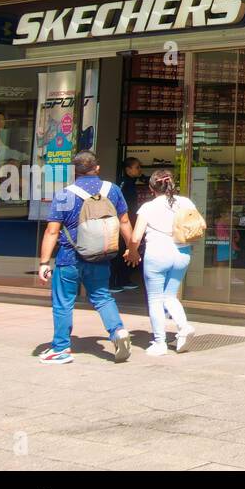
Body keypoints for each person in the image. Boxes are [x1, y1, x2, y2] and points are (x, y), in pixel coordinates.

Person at [36, 152, 136, 365]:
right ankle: (117, 331)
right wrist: (132, 248)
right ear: (97, 168)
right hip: (101, 257)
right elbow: (125, 221)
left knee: (63, 303)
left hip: (69, 258)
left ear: (75, 170)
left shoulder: (64, 194)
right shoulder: (113, 190)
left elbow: (52, 231)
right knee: (102, 297)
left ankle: (61, 348)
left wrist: (44, 262)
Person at [123, 168, 197, 355]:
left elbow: (135, 237)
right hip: (182, 253)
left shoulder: (149, 207)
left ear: (151, 187)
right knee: (170, 295)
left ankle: (160, 342)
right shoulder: (186, 202)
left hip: (157, 254)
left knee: (155, 299)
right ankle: (183, 327)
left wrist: (132, 252)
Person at [110, 157, 150, 291]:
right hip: (122, 222)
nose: (140, 170)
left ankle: (124, 279)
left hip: (131, 221)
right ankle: (113, 282)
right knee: (120, 251)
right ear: (128, 169)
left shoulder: (131, 182)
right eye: (137, 167)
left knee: (130, 250)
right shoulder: (122, 183)